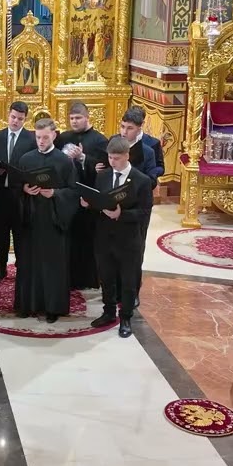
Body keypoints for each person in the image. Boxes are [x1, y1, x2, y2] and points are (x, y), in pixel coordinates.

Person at [87, 136, 153, 338]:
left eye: (116, 158)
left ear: (127, 156)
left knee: (128, 280)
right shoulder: (103, 176)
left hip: (129, 239)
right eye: (110, 157)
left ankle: (125, 318)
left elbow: (144, 212)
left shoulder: (142, 180)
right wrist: (89, 203)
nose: (112, 162)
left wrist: (121, 215)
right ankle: (108, 312)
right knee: (106, 277)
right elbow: (99, 201)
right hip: (104, 237)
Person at [14, 118, 79, 322]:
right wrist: (25, 189)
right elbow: (16, 186)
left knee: (52, 265)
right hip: (31, 219)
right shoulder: (26, 159)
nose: (41, 141)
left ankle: (53, 307)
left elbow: (74, 191)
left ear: (54, 135)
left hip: (53, 221)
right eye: (38, 137)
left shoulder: (64, 161)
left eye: (45, 137)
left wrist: (55, 194)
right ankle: (27, 304)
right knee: (28, 263)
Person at [55, 102, 109, 289]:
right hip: (67, 195)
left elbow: (103, 168)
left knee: (87, 239)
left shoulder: (99, 140)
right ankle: (67, 277)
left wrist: (83, 158)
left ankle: (87, 279)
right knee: (67, 238)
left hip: (88, 198)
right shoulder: (64, 138)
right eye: (71, 118)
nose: (74, 121)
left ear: (87, 117)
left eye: (78, 118)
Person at [0, 101, 36, 281]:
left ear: (25, 119)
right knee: (1, 233)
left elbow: (32, 166)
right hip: (0, 193)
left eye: (20, 119)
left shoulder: (31, 139)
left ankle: (21, 267)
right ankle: (1, 267)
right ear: (8, 115)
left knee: (20, 233)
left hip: (20, 194)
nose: (16, 121)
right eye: (13, 117)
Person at [120, 107, 163, 188]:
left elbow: (160, 167)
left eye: (130, 128)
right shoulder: (115, 140)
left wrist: (151, 171)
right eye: (123, 127)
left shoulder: (153, 143)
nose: (124, 132)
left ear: (142, 124)